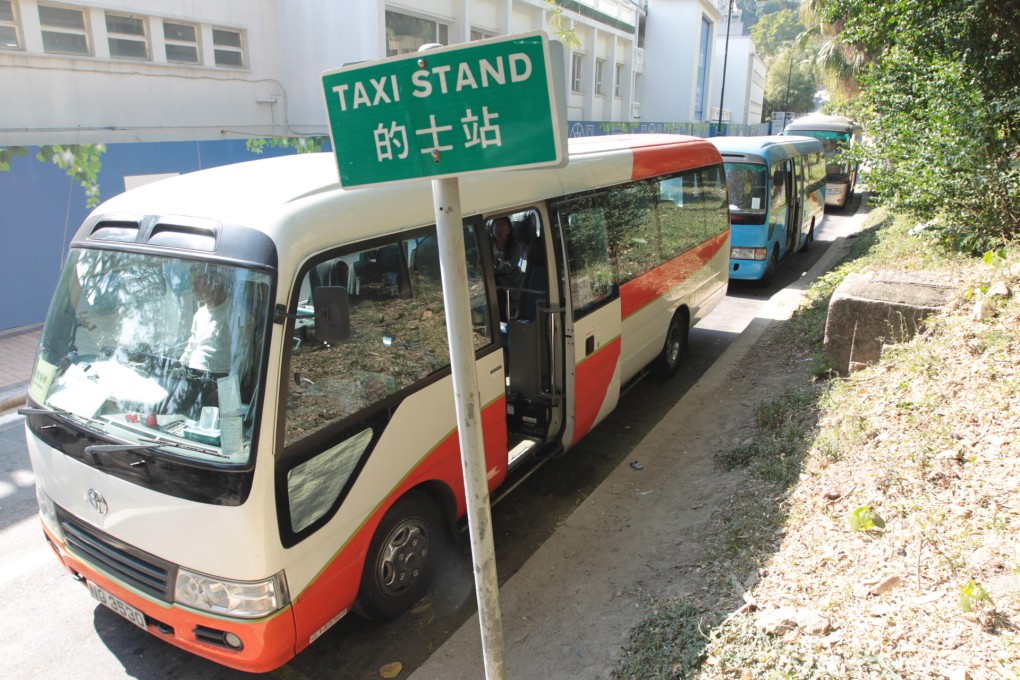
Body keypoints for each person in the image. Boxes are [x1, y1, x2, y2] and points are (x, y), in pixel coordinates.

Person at [179, 265, 233, 374]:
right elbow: (192, 346)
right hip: (192, 375)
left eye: (198, 281)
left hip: (216, 378)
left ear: (216, 281)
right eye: (192, 281)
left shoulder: (235, 315)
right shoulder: (199, 314)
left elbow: (240, 359)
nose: (193, 287)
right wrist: (179, 367)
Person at [490, 217, 523, 321]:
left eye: (502, 226)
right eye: (496, 226)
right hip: (493, 282)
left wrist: (495, 262)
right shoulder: (487, 244)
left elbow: (510, 267)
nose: (498, 229)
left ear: (509, 229)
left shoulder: (516, 245)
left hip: (513, 281)